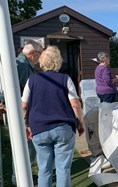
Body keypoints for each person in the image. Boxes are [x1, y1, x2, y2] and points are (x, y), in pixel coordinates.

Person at [21, 46, 85, 187]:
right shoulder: (65, 79)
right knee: (63, 169)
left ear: (42, 61)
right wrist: (80, 123)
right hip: (63, 128)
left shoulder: (32, 80)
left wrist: (25, 125)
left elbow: (24, 106)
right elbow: (75, 104)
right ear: (58, 62)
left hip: (39, 128)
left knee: (44, 169)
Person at [13, 40, 43, 185]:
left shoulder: (23, 64)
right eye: (40, 54)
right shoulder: (23, 66)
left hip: (24, 111)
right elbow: (25, 92)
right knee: (27, 144)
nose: (40, 57)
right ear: (32, 53)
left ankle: (24, 174)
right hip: (24, 113)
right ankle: (21, 176)